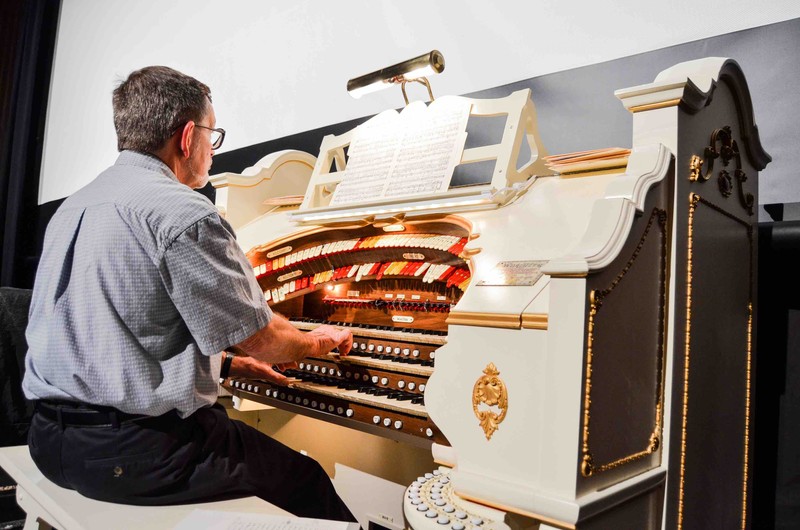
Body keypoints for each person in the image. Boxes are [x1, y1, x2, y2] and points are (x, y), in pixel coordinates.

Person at [22, 66, 357, 522]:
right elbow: (261, 338)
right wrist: (319, 341)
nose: (212, 152)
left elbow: (114, 333)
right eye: (211, 136)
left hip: (47, 438)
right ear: (186, 137)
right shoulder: (181, 212)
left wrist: (228, 365)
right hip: (131, 452)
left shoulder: (73, 207)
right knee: (307, 482)